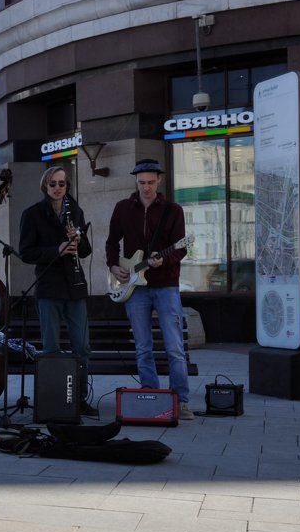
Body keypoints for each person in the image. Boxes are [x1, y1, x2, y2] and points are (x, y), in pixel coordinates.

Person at [105, 158, 193, 419]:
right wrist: (113, 266)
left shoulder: (173, 210)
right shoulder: (123, 208)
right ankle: (149, 394)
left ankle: (182, 401)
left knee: (174, 346)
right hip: (134, 287)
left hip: (166, 285)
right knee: (143, 346)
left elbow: (182, 247)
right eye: (142, 182)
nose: (146, 187)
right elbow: (112, 242)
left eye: (151, 182)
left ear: (160, 180)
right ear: (135, 181)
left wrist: (164, 259)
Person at [18, 165, 96, 416]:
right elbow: (26, 252)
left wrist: (79, 240)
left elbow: (86, 251)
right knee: (51, 348)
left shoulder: (76, 211)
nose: (57, 188)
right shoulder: (32, 214)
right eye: (52, 183)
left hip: (74, 287)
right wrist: (57, 249)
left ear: (67, 186)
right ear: (45, 185)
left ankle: (79, 399)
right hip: (49, 287)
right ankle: (54, 400)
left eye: (62, 184)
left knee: (81, 347)